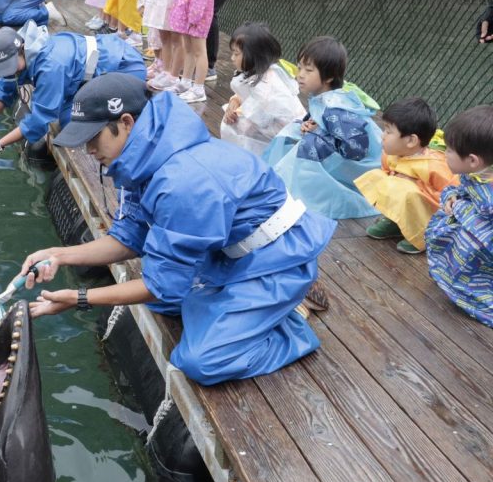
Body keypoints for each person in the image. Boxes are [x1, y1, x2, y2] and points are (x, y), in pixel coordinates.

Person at [19, 73, 336, 386]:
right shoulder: (142, 156)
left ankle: (290, 323)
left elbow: (160, 285)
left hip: (278, 257)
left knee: (203, 362)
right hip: (231, 252)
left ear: (126, 122)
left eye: (92, 138)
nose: (88, 150)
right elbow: (129, 238)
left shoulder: (182, 182)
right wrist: (58, 255)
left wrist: (81, 298)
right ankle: (250, 308)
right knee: (162, 304)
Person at [0, 23, 146, 155]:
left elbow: (38, 121)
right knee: (66, 122)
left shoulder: (50, 66)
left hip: (122, 65)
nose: (9, 71)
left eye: (10, 65)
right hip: (85, 79)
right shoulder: (24, 50)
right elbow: (4, 84)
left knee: (76, 122)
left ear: (22, 49)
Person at [262, 36, 383, 219]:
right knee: (294, 130)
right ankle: (283, 182)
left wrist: (320, 136)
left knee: (310, 143)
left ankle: (304, 195)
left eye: (308, 70)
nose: (300, 74)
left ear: (329, 76)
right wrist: (308, 124)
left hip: (365, 169)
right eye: (300, 67)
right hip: (346, 153)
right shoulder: (326, 98)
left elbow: (356, 149)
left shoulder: (336, 108)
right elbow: (321, 120)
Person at [354, 98, 458, 254]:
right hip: (408, 205)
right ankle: (396, 222)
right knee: (377, 178)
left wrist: (419, 187)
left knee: (404, 189)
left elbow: (452, 193)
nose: (383, 136)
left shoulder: (433, 164)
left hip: (431, 216)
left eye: (389, 131)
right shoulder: (391, 155)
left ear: (411, 140)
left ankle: (423, 235)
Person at [425, 106, 493, 326]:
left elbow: (482, 216)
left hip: (484, 248)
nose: (444, 154)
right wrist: (453, 195)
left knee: (460, 234)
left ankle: (469, 286)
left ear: (473, 161)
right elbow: (463, 190)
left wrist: (458, 206)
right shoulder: (482, 175)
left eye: (449, 150)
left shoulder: (488, 194)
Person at [219, 23, 305, 156]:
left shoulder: (266, 86)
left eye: (236, 53)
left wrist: (238, 114)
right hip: (274, 127)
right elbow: (247, 97)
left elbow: (262, 120)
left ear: (254, 55)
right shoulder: (258, 72)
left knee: (231, 126)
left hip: (286, 139)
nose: (232, 58)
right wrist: (235, 100)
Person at [166, 0, 218, 103]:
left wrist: (195, 15)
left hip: (198, 13)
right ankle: (185, 82)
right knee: (188, 48)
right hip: (186, 9)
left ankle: (198, 89)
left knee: (199, 51)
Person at [137, 0, 181, 87]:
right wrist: (141, 1)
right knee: (163, 37)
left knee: (176, 40)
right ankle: (165, 70)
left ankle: (173, 74)